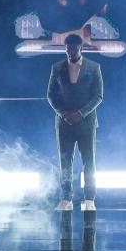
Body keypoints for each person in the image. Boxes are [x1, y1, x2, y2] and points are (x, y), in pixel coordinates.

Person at [48, 34, 104, 212]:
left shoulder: (94, 67)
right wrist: (63, 114)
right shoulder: (57, 68)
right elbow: (50, 95)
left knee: (89, 161)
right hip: (64, 123)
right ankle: (66, 198)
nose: (70, 51)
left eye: (74, 48)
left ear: (81, 48)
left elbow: (98, 96)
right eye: (67, 48)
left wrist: (81, 113)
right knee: (65, 162)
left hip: (86, 123)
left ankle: (89, 199)